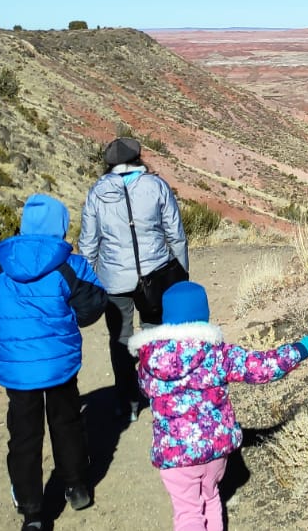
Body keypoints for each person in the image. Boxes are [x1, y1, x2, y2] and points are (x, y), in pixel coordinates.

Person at [0, 193, 106, 531]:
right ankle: (77, 487)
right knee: (66, 423)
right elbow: (94, 304)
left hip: (17, 368)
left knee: (23, 435)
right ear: (61, 226)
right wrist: (69, 318)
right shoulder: (69, 263)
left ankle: (32, 511)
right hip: (58, 364)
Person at [130, 281, 308, 531]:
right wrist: (301, 348)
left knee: (188, 512)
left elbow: (145, 389)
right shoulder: (218, 354)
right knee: (211, 500)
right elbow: (262, 367)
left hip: (174, 454)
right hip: (215, 451)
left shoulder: (149, 361)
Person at [79, 136, 188, 421]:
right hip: (156, 275)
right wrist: (183, 275)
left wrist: (88, 284)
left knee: (120, 339)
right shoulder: (155, 186)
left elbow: (88, 246)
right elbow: (175, 234)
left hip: (114, 282)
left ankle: (127, 404)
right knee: (155, 335)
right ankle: (161, 396)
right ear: (139, 157)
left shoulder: (96, 194)